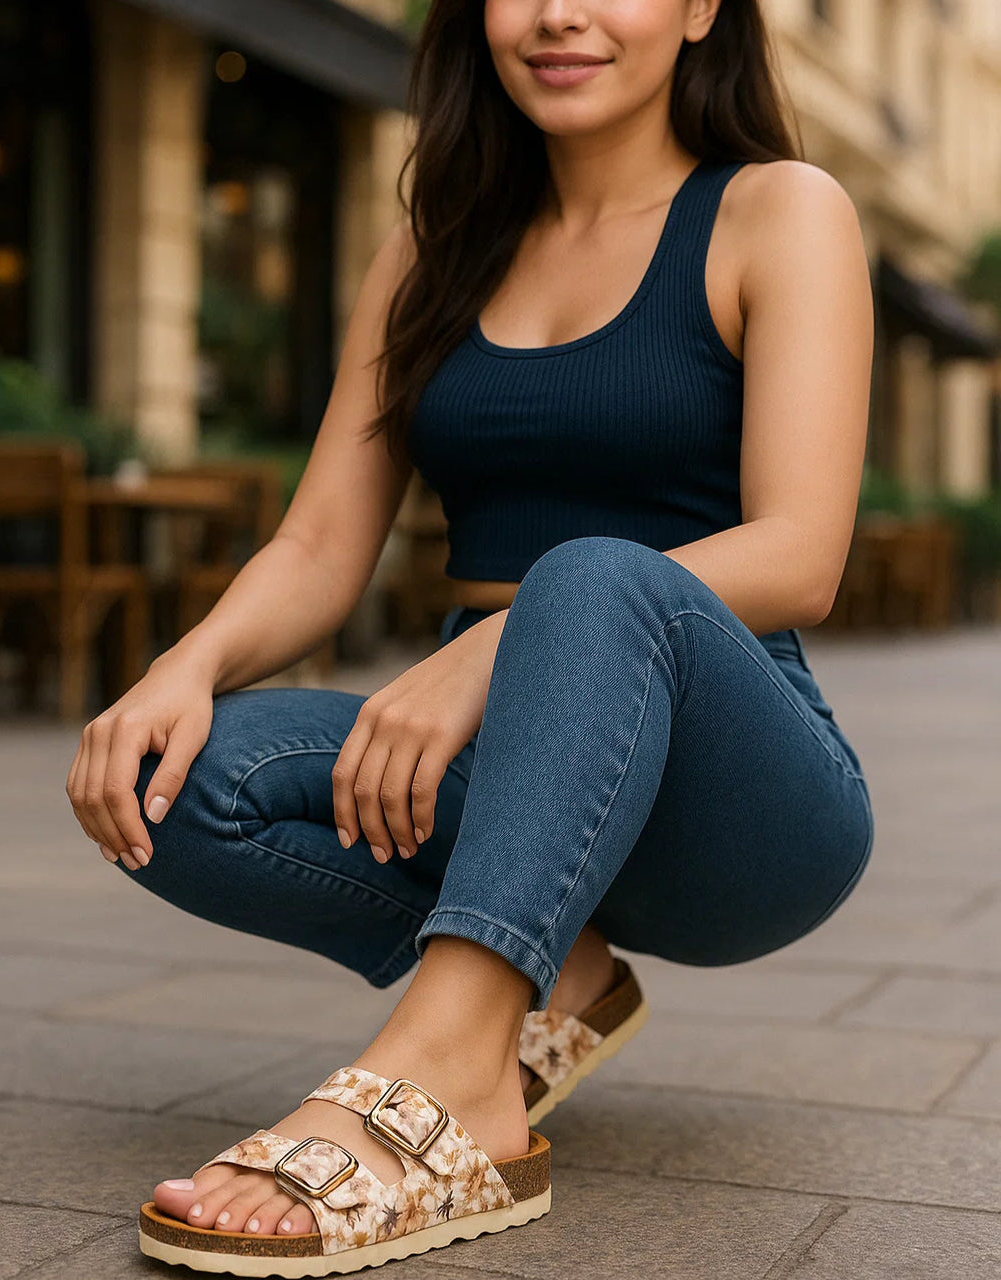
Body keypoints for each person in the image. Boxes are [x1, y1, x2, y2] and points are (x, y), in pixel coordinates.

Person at [65, 0, 876, 1273]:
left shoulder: (778, 210)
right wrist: (185, 665)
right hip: (494, 773)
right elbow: (322, 545)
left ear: (701, 7)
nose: (557, 12)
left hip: (736, 795)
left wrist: (485, 649)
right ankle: (553, 978)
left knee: (595, 577)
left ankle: (450, 1061)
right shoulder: (431, 246)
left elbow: (801, 552)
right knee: (172, 779)